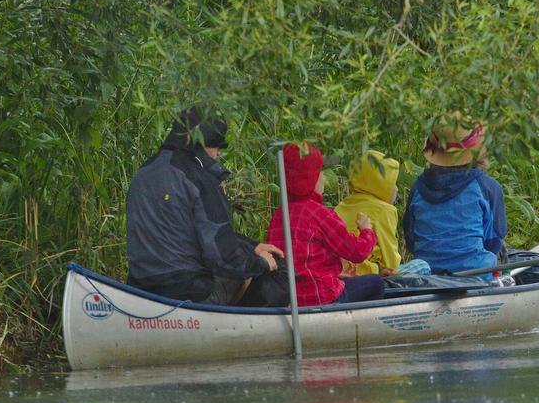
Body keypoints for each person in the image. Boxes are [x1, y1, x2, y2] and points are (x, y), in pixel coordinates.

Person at [126, 106, 287, 306]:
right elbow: (222, 257)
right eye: (218, 146)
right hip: (187, 290)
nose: (218, 153)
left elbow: (187, 233)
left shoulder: (143, 172)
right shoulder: (198, 178)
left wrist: (252, 247)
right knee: (279, 272)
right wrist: (261, 263)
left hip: (140, 288)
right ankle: (235, 332)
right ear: (202, 144)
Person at [266, 143, 386, 306]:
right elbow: (357, 251)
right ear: (310, 178)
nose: (324, 177)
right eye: (321, 173)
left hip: (289, 299)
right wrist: (367, 231)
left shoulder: (279, 214)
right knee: (376, 282)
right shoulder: (319, 214)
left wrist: (336, 274)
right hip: (321, 297)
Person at [402, 112, 507, 277]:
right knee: (501, 253)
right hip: (476, 275)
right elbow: (494, 240)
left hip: (427, 277)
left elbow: (411, 240)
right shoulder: (488, 187)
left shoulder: (418, 187)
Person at [334, 150, 402, 277]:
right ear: (380, 184)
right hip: (366, 273)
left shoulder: (341, 206)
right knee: (421, 265)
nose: (396, 189)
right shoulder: (384, 210)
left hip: (339, 272)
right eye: (393, 183)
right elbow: (391, 261)